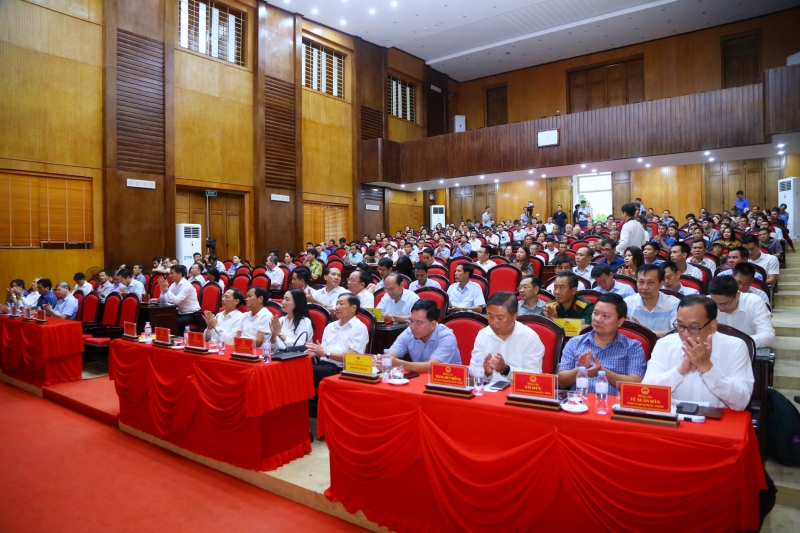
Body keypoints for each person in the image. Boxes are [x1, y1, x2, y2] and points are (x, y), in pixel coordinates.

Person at [642, 296, 754, 412]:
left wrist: (707, 369)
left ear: (713, 326)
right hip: (673, 422)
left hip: (716, 424)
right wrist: (680, 370)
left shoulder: (735, 347)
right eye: (680, 325)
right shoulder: (664, 344)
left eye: (694, 327)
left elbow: (741, 403)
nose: (685, 334)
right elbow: (647, 392)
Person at [558, 293, 646, 395]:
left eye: (605, 316)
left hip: (615, 407)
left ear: (620, 322)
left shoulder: (633, 347)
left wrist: (603, 372)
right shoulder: (575, 343)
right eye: (595, 313)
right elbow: (561, 382)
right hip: (579, 405)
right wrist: (580, 370)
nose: (597, 319)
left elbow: (636, 383)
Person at [471, 292, 545, 383]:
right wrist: (485, 372)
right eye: (490, 316)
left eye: (500, 318)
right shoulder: (483, 334)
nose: (494, 322)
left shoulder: (530, 337)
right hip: (489, 390)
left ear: (515, 316)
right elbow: (472, 368)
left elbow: (535, 376)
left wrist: (506, 369)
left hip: (518, 392)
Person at [377, 299, 461, 372]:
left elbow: (432, 367)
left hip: (448, 382)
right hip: (420, 380)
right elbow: (391, 355)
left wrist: (400, 364)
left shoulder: (446, 337)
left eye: (419, 323)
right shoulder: (409, 332)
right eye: (411, 321)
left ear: (432, 324)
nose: (413, 327)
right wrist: (381, 360)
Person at [306, 293, 369, 387]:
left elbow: (354, 356)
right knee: (295, 366)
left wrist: (325, 353)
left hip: (340, 368)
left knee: (302, 372)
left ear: (353, 308)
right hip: (323, 364)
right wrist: (315, 351)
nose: (337, 307)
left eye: (341, 304)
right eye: (336, 304)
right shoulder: (331, 326)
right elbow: (323, 351)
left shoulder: (360, 328)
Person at [708, 276, 774, 348]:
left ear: (737, 295)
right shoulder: (705, 304)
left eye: (725, 304)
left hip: (747, 353)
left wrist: (736, 344)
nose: (720, 308)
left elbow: (768, 336)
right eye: (715, 303)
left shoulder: (754, 303)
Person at [623, 264, 680, 337]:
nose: (645, 287)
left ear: (661, 283)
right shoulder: (627, 303)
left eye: (651, 282)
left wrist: (643, 332)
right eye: (641, 282)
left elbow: (677, 332)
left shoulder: (674, 304)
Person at [158, 265, 201, 330]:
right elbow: (164, 302)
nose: (170, 275)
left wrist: (167, 289)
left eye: (172, 273)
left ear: (179, 274)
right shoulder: (173, 285)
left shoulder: (187, 285)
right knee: (163, 319)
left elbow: (176, 301)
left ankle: (177, 339)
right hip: (180, 313)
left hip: (192, 314)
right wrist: (163, 291)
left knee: (173, 322)